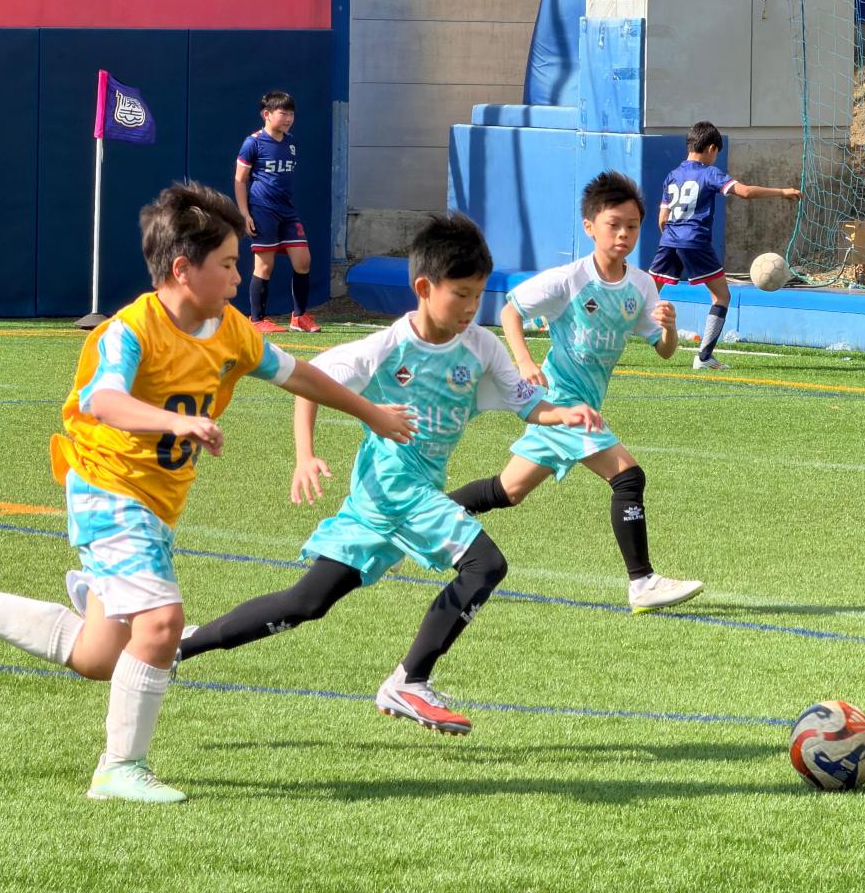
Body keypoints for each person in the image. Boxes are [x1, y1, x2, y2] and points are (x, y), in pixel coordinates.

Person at [0, 181, 416, 803]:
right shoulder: (129, 332)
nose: (239, 277)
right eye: (227, 264)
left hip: (155, 503)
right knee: (163, 623)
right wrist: (176, 422)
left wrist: (370, 413)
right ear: (182, 269)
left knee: (99, 656)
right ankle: (119, 769)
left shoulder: (231, 330)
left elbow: (297, 374)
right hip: (106, 487)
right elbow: (104, 401)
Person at [176, 212, 603, 736]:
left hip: (386, 501)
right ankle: (410, 680)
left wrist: (563, 413)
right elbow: (309, 382)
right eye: (460, 294)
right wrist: (305, 455)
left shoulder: (482, 347)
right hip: (395, 490)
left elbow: (527, 404)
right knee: (485, 565)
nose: (471, 307)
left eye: (478, 295)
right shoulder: (387, 349)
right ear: (424, 288)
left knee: (306, 603)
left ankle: (182, 645)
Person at [448, 171, 704, 614]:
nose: (623, 234)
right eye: (613, 224)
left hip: (573, 407)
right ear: (590, 227)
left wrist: (669, 328)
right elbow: (510, 310)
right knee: (628, 476)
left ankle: (425, 515)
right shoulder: (569, 279)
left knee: (508, 491)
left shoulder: (641, 286)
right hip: (562, 403)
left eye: (632, 226)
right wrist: (524, 362)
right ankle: (642, 582)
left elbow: (664, 351)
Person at [649, 120, 802, 369]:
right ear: (711, 148)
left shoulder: (673, 176)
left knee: (646, 293)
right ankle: (704, 358)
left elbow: (662, 219)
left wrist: (673, 239)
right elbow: (745, 192)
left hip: (669, 240)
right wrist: (783, 192)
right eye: (716, 153)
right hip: (695, 241)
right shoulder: (710, 173)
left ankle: (609, 338)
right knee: (721, 296)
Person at [235, 90, 320, 335]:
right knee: (264, 266)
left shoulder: (291, 143)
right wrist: (245, 214)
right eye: (283, 113)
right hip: (262, 211)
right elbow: (240, 180)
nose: (288, 118)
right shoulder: (253, 143)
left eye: (291, 114)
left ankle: (299, 317)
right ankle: (257, 319)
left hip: (287, 211)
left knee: (303, 261)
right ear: (267, 114)